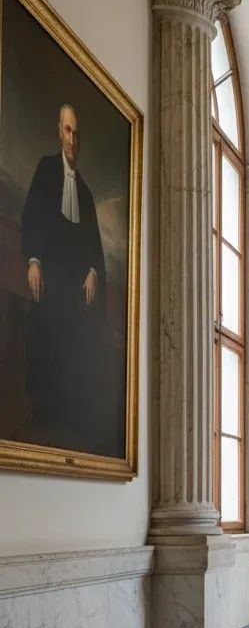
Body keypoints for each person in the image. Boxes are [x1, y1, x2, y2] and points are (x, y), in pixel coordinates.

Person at [21, 104, 108, 452]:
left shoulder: (85, 193)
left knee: (80, 338)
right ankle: (43, 408)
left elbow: (94, 247)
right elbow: (31, 217)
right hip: (50, 274)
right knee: (44, 329)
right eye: (67, 131)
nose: (72, 140)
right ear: (59, 131)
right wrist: (33, 260)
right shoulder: (45, 169)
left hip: (75, 283)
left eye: (77, 134)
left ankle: (71, 413)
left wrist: (92, 272)